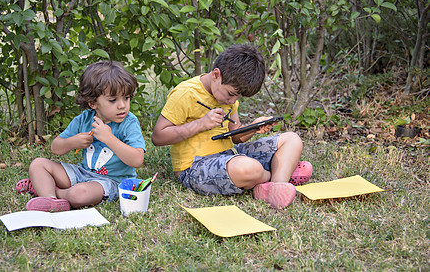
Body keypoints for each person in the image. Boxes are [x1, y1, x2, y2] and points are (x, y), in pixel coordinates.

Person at [151, 44, 312, 209]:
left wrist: (254, 127)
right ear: (216, 75)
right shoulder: (186, 94)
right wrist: (200, 124)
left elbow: (235, 137)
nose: (233, 101)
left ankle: (276, 187)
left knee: (292, 139)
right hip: (194, 168)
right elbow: (158, 137)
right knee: (249, 168)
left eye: (238, 97)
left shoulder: (229, 98)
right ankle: (279, 174)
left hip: (230, 156)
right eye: (230, 94)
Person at [16, 61, 146, 212]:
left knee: (79, 194)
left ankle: (51, 192)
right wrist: (73, 142)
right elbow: (55, 147)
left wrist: (109, 138)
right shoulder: (84, 119)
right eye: (113, 100)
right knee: (38, 164)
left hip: (112, 181)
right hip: (81, 173)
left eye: (127, 98)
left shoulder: (129, 123)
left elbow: (137, 160)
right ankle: (50, 199)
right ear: (92, 103)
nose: (122, 105)